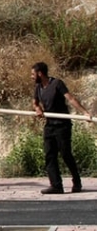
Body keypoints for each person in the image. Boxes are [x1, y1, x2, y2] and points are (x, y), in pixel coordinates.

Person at [32, 61, 92, 194]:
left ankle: (77, 182)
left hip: (62, 125)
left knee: (65, 154)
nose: (31, 76)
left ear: (40, 73)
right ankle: (56, 185)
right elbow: (35, 102)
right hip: (49, 125)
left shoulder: (57, 84)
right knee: (49, 155)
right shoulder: (38, 87)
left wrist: (85, 113)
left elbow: (70, 98)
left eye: (33, 74)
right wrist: (37, 109)